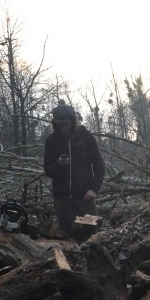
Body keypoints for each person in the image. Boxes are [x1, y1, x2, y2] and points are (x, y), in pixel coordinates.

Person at [44, 101, 105, 237]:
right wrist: (58, 164)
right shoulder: (51, 141)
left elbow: (99, 166)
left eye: (66, 124)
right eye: (60, 125)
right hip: (62, 200)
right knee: (69, 236)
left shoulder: (86, 137)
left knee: (91, 234)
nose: (63, 128)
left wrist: (94, 189)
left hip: (85, 198)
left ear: (73, 121)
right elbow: (48, 171)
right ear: (55, 123)